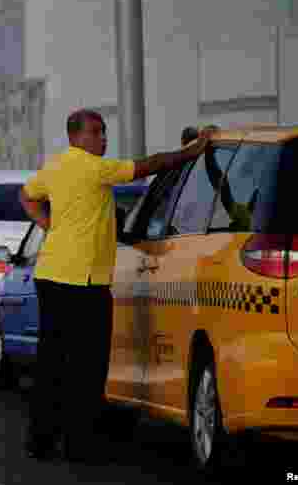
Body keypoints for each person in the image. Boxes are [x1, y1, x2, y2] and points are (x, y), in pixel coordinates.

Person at [18, 109, 211, 462]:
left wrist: (48, 224)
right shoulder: (94, 167)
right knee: (87, 366)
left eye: (104, 131)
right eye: (96, 132)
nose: (103, 138)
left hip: (51, 277)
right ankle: (78, 444)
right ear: (76, 136)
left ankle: (39, 440)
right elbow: (149, 165)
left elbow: (26, 195)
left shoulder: (55, 166)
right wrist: (191, 151)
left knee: (52, 363)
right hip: (84, 282)